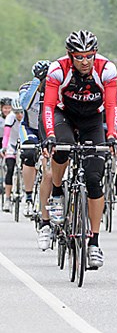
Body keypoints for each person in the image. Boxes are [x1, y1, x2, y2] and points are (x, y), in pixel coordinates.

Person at [42, 29, 117, 268]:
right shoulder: (58, 70)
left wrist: (113, 135)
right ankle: (56, 192)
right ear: (70, 55)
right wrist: (51, 136)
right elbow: (49, 105)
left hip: (92, 121)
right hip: (64, 115)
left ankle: (94, 242)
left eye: (89, 56)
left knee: (95, 178)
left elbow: (111, 106)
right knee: (62, 150)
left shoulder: (106, 69)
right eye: (79, 56)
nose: (85, 61)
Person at [19, 60, 52, 219]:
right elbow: (25, 104)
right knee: (29, 154)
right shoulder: (27, 88)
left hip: (46, 129)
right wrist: (36, 82)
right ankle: (29, 196)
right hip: (30, 128)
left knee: (51, 162)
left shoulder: (53, 89)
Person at [1, 99, 24, 212]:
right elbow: (6, 135)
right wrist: (4, 147)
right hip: (12, 143)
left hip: (23, 143)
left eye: (21, 112)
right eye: (16, 112)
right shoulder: (10, 117)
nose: (19, 115)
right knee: (10, 169)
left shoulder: (26, 116)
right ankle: (7, 198)